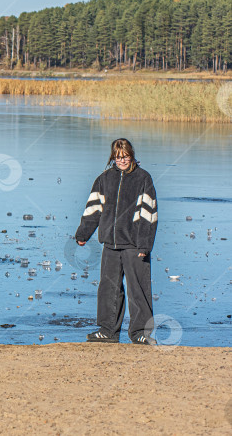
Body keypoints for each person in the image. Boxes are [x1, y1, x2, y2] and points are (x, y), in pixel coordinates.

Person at [75, 138, 158, 345]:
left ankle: (141, 333)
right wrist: (83, 234)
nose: (122, 160)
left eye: (126, 156)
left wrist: (144, 246)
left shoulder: (143, 179)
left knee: (138, 289)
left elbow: (149, 215)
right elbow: (93, 209)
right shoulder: (104, 179)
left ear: (132, 156)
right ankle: (108, 331)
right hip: (110, 245)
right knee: (108, 288)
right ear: (113, 157)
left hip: (134, 245)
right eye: (118, 157)